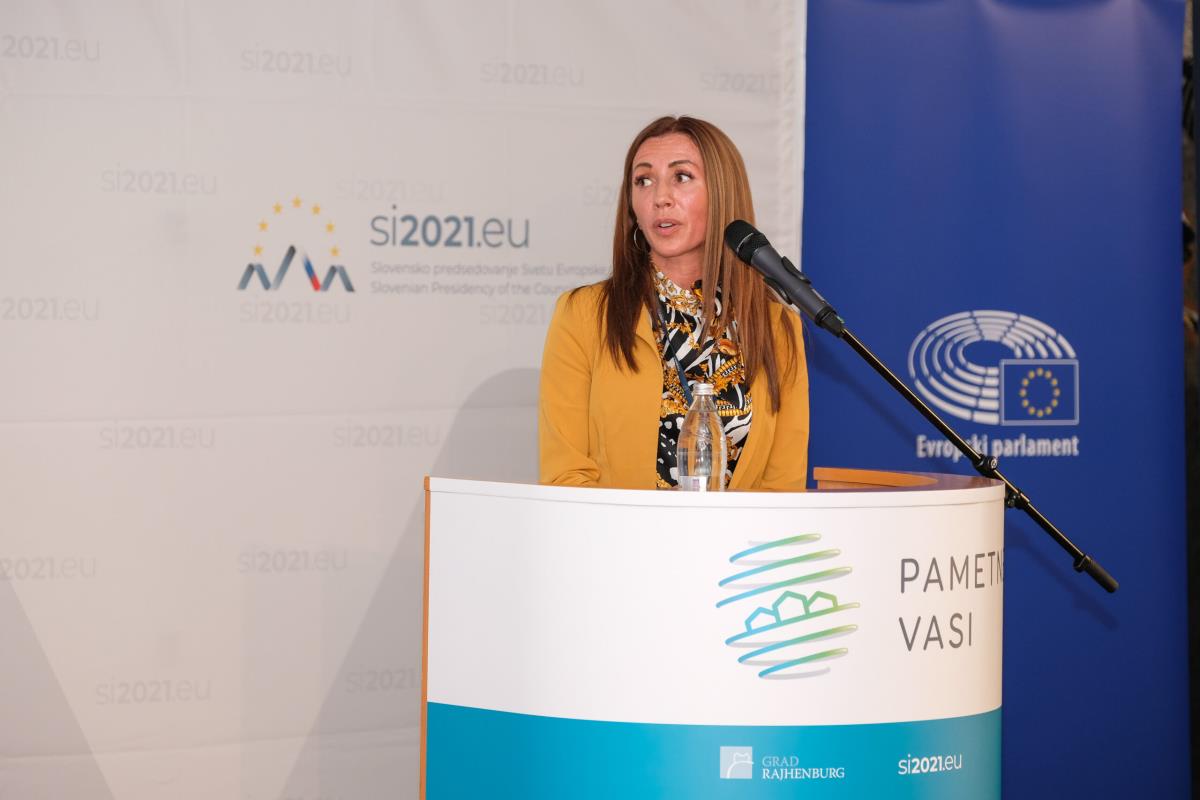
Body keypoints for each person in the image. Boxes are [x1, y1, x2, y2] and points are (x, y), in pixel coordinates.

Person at [538, 115, 809, 490]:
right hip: (612, 530)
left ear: (722, 193)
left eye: (681, 177)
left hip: (740, 532)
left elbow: (783, 488)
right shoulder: (584, 315)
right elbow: (565, 476)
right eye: (643, 180)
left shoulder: (776, 327)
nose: (660, 197)